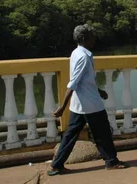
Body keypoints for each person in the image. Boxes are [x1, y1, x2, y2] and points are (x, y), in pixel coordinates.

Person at [49, 24, 128, 176]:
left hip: (80, 104)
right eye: (92, 36)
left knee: (70, 134)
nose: (94, 39)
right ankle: (111, 161)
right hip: (90, 105)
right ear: (84, 39)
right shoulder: (84, 57)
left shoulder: (76, 53)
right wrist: (62, 107)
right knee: (103, 133)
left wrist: (99, 90)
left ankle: (57, 164)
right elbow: (73, 83)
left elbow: (84, 80)